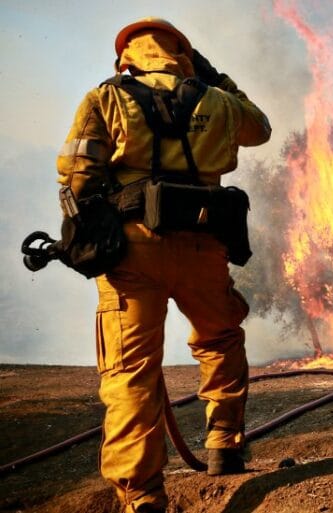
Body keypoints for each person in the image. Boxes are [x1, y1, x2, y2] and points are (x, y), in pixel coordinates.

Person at [55, 18, 271, 513]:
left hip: (134, 249)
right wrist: (219, 81)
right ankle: (224, 444)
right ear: (186, 56)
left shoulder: (105, 97)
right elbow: (258, 128)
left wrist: (87, 232)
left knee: (131, 372)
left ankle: (142, 498)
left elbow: (77, 173)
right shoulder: (218, 101)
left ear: (126, 57)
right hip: (204, 244)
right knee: (219, 338)